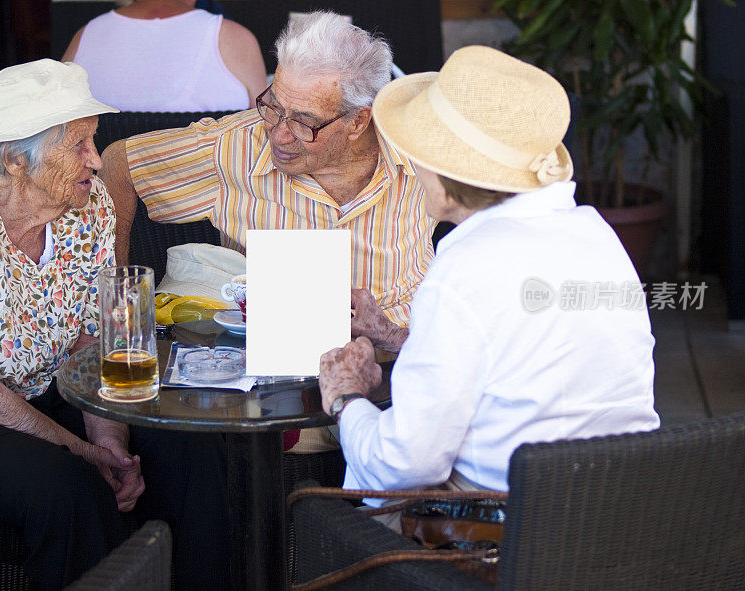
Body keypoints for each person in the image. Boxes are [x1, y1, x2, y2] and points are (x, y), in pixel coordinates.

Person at [318, 46, 661, 501]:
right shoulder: (595, 234)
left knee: (329, 508)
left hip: (507, 540)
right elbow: (521, 359)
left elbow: (405, 463)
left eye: (417, 153)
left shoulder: (464, 267)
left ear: (444, 174)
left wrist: (346, 398)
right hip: (625, 514)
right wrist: (396, 335)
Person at [0, 59, 229, 591]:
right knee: (67, 485)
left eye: (93, 142)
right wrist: (87, 453)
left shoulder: (90, 205)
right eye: (78, 145)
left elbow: (92, 340)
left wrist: (112, 440)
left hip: (53, 389)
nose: (97, 162)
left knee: (188, 445)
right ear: (14, 159)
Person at [100, 10, 435, 452]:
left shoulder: (422, 153)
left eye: (304, 121)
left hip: (409, 380)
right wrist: (125, 316)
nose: (278, 135)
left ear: (358, 121)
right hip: (285, 396)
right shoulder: (234, 148)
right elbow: (119, 166)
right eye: (274, 106)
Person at [62, 0, 267, 111]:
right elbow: (263, 131)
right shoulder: (236, 39)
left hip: (105, 187)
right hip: (210, 187)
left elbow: (55, 130)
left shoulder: (86, 36)